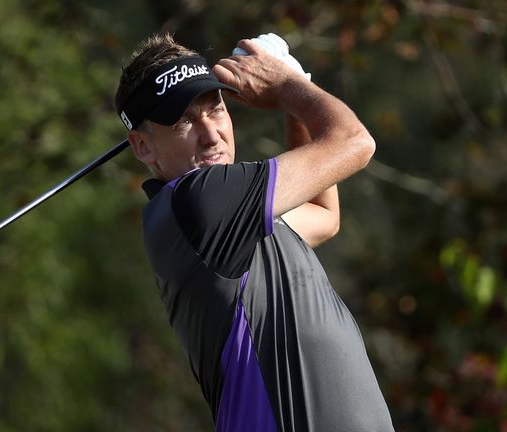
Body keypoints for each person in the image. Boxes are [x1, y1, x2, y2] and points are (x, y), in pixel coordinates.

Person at [114, 33, 394, 431]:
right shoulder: (201, 204)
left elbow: (321, 214)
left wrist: (294, 97)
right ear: (143, 146)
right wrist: (288, 87)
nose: (211, 134)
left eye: (215, 109)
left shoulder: (231, 219)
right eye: (184, 121)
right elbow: (354, 143)